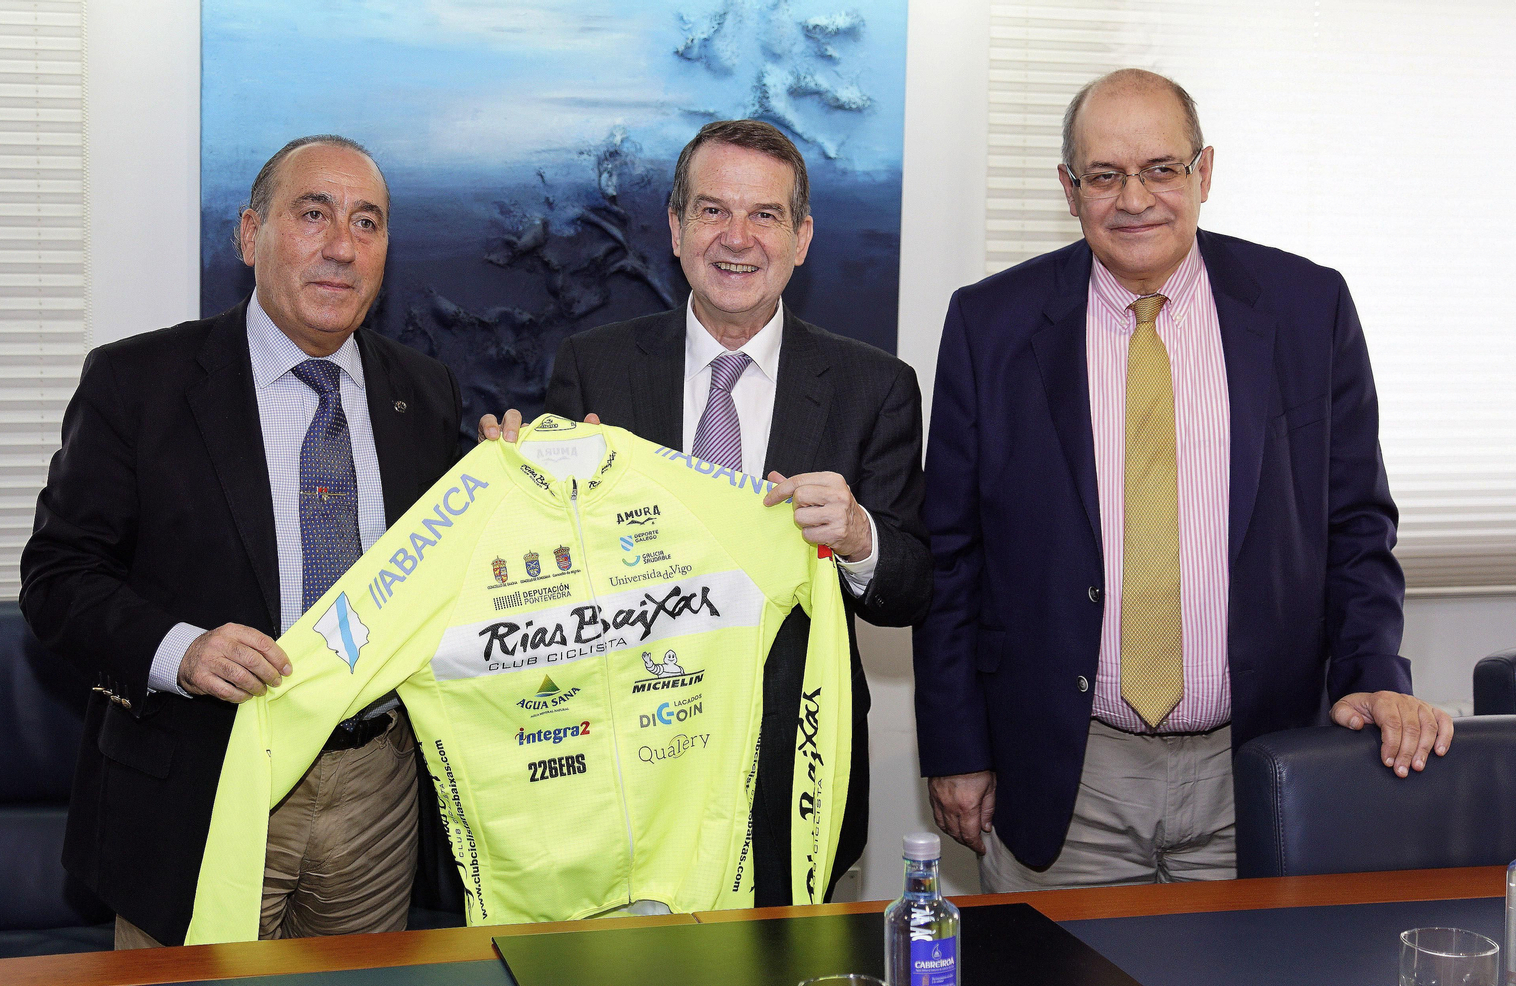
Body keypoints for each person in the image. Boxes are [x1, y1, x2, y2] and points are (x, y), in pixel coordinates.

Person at [915, 70, 1454, 891]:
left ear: (1204, 173)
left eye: (1162, 169)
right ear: (1069, 189)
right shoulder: (991, 325)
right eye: (1105, 175)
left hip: (1260, 767)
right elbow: (951, 557)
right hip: (1068, 773)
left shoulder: (1309, 309)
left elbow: (1356, 529)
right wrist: (957, 748)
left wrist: (1376, 676)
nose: (1135, 199)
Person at [20, 135, 464, 946]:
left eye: (367, 223)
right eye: (313, 214)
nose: (341, 246)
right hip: (203, 778)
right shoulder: (138, 384)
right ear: (250, 234)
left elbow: (461, 572)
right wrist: (180, 650)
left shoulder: (424, 393)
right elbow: (58, 577)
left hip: (375, 790)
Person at [481, 119, 931, 905]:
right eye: (714, 211)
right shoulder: (596, 368)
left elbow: (914, 587)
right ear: (676, 227)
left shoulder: (875, 387)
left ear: (802, 237)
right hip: (621, 777)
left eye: (765, 216)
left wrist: (860, 538)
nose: (738, 238)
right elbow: (544, 581)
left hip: (796, 769)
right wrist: (515, 491)